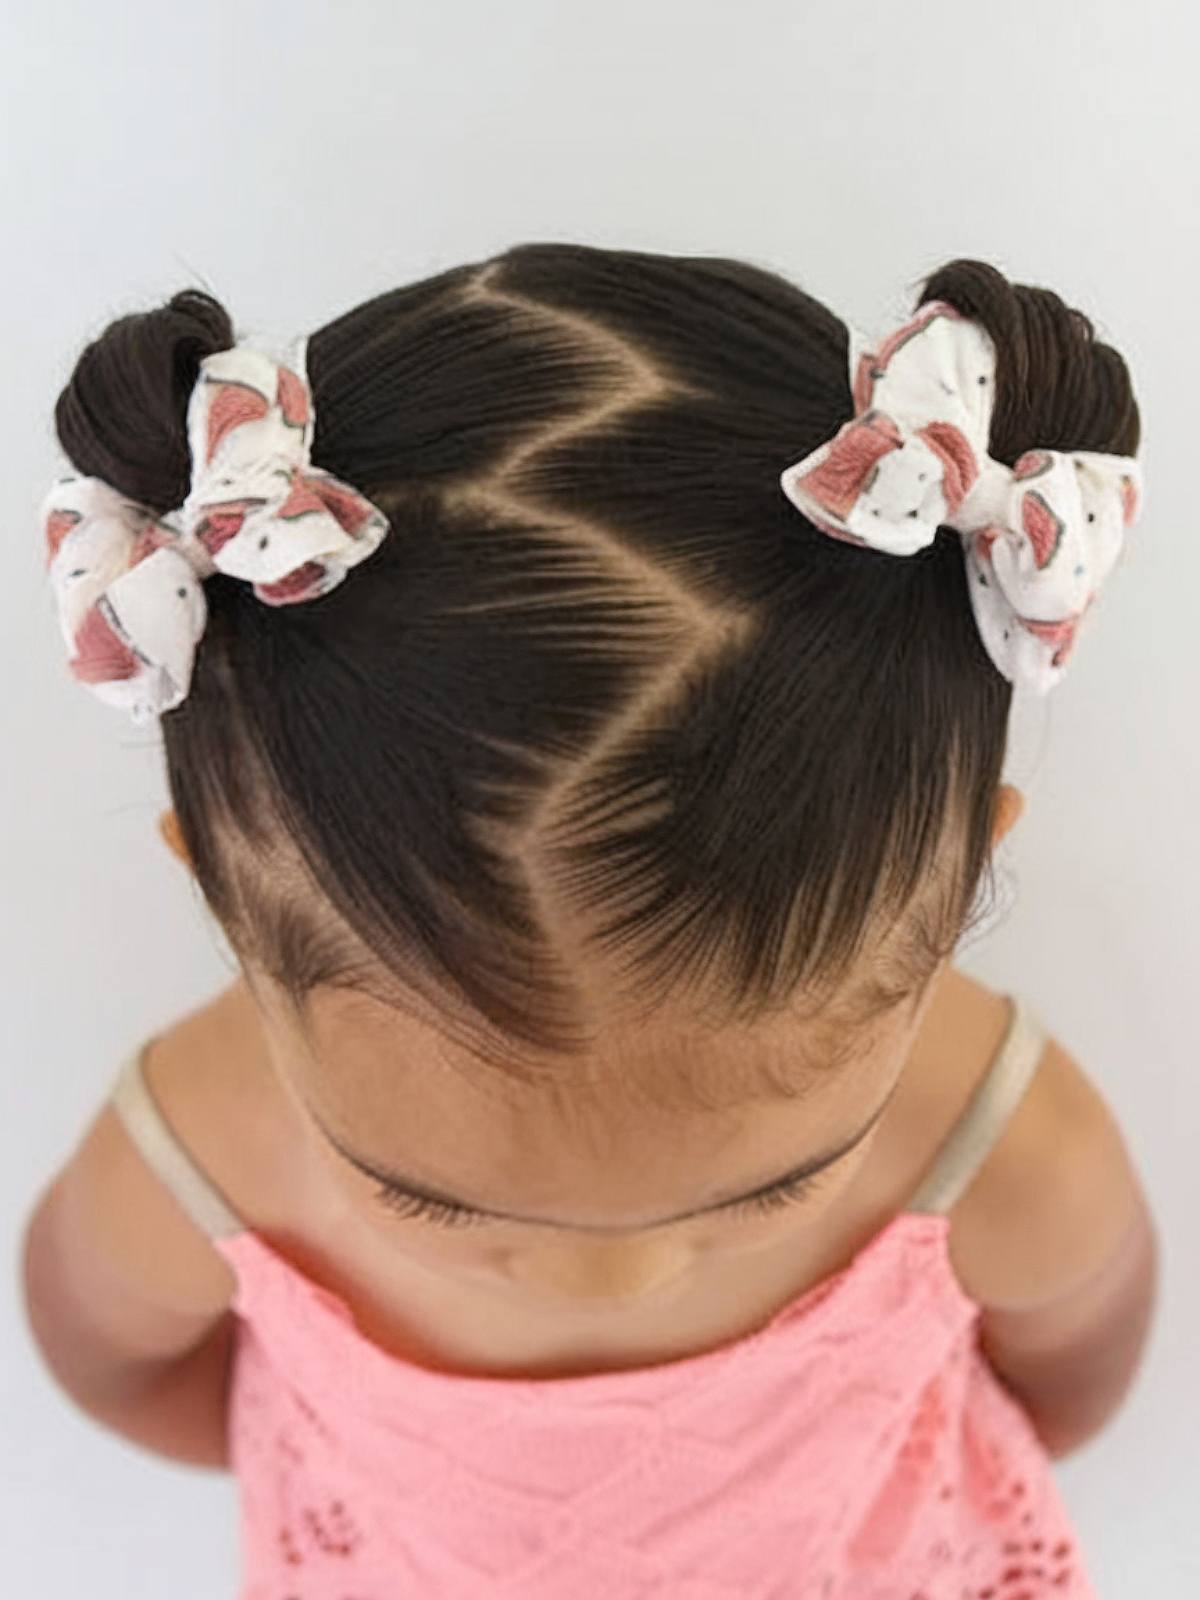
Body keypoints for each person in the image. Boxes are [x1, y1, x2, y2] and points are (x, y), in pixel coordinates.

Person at [22, 246, 1158, 1599]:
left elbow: (1064, 1384)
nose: (615, 1288)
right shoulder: (196, 1155)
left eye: (776, 1187)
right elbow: (113, 1361)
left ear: (958, 887)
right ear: (221, 894)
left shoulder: (1000, 1145)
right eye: (427, 1198)